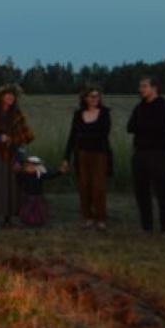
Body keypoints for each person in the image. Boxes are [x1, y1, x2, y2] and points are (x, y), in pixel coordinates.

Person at [0, 84, 35, 228]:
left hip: (13, 154)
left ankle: (7, 218)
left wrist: (14, 143)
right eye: (8, 95)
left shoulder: (18, 114)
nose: (11, 97)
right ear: (1, 97)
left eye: (13, 95)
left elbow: (27, 136)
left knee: (10, 186)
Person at [127, 76, 165, 234]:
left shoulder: (164, 106)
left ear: (154, 88)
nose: (141, 89)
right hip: (139, 153)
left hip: (157, 153)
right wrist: (144, 126)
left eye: (144, 86)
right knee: (141, 191)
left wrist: (142, 126)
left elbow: (158, 127)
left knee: (162, 192)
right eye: (140, 86)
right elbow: (130, 126)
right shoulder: (139, 106)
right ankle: (146, 226)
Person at [63, 86, 112, 231]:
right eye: (91, 96)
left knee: (98, 187)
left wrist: (84, 136)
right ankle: (87, 217)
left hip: (99, 154)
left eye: (97, 96)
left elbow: (104, 133)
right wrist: (66, 157)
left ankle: (101, 218)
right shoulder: (78, 114)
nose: (94, 99)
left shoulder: (104, 113)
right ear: (85, 98)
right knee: (84, 186)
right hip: (82, 154)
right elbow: (72, 136)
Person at [16, 155, 63, 227]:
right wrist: (18, 172)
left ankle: (36, 222)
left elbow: (51, 175)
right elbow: (19, 181)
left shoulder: (40, 175)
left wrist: (60, 172)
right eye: (27, 165)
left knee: (37, 210)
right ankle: (27, 221)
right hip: (28, 195)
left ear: (37, 167)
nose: (29, 167)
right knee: (28, 209)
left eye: (31, 165)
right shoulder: (24, 175)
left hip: (37, 195)